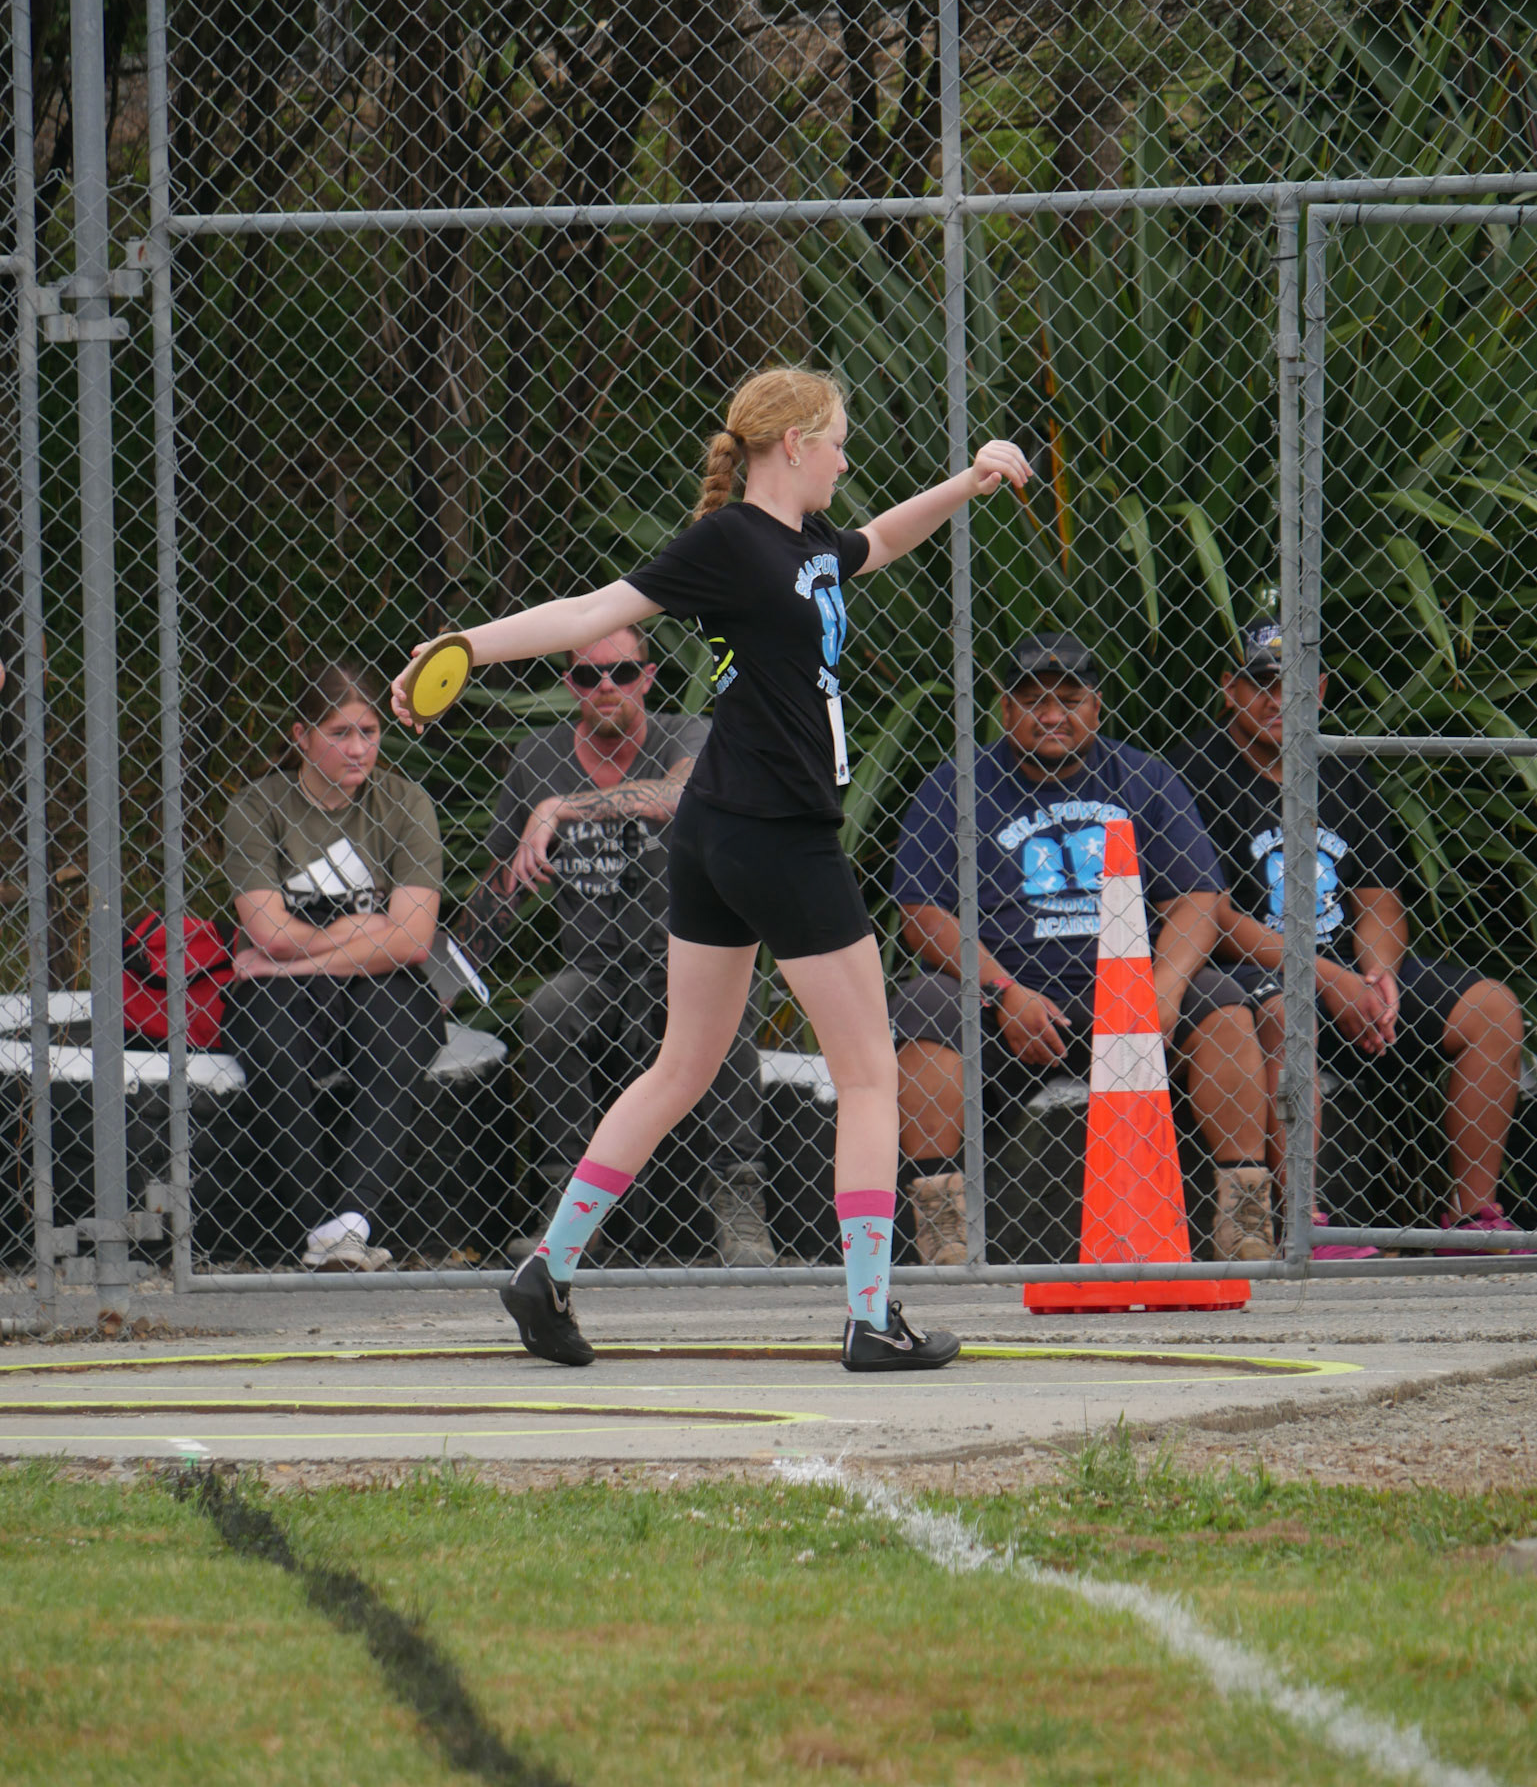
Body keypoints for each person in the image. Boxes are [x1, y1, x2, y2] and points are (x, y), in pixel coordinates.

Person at [393, 365, 1031, 1370]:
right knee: (869, 1075)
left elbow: (881, 540)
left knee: (683, 1064)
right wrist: (464, 646)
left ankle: (545, 1271)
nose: (846, 461)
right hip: (774, 832)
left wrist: (968, 480)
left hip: (717, 830)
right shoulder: (731, 540)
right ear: (793, 444)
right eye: (837, 442)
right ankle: (871, 1317)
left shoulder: (811, 543)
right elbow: (587, 611)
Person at [890, 632, 1277, 1266]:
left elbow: (1198, 898)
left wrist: (1163, 986)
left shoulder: (1145, 778)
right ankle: (942, 1227)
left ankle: (1244, 1215)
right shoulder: (956, 785)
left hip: (1131, 995)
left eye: (1069, 700)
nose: (1051, 715)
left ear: (1096, 706)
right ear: (1005, 709)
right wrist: (1002, 991)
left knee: (1224, 1004)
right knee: (924, 1005)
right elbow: (921, 913)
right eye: (1033, 701)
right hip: (1010, 1003)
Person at [1170, 617, 1524, 1250]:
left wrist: (1377, 975)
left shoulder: (1338, 769)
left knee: (1492, 1009)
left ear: (1322, 690)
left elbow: (1379, 898)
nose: (1278, 700)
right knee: (1289, 1011)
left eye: (1295, 684)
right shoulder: (1192, 774)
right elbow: (1208, 917)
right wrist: (1322, 976)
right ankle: (1307, 1224)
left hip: (1346, 978)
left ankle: (1474, 1215)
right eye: (1261, 684)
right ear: (1229, 689)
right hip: (1254, 975)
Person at [487, 623, 770, 1265]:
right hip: (593, 969)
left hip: (682, 959)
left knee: (727, 1003)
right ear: (570, 684)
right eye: (589, 675)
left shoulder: (686, 733)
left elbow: (676, 795)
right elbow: (502, 881)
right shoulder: (537, 757)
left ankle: (739, 1198)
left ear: (647, 677)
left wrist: (559, 809)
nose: (607, 687)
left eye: (621, 672)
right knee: (548, 1011)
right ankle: (569, 1210)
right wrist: (454, 967)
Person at [222, 661, 445, 1271]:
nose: (358, 749)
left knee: (400, 1035)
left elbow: (413, 941)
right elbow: (267, 930)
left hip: (371, 975)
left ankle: (351, 1219)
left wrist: (293, 962)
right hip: (304, 979)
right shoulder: (257, 806)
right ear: (302, 735)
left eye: (369, 732)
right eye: (340, 733)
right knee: (271, 1043)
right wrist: (362, 928)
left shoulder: (404, 802)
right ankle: (322, 1228)